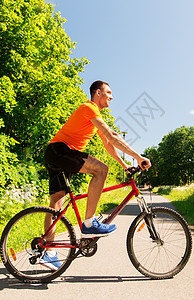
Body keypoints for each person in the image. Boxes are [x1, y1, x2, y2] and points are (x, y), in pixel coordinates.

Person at [40, 80, 151, 270]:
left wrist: (125, 165)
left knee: (56, 206)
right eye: (108, 92)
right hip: (61, 151)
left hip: (56, 154)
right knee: (101, 170)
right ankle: (89, 223)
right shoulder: (89, 108)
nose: (111, 96)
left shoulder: (94, 116)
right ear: (97, 93)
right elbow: (113, 136)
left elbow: (108, 143)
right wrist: (138, 157)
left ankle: (48, 252)